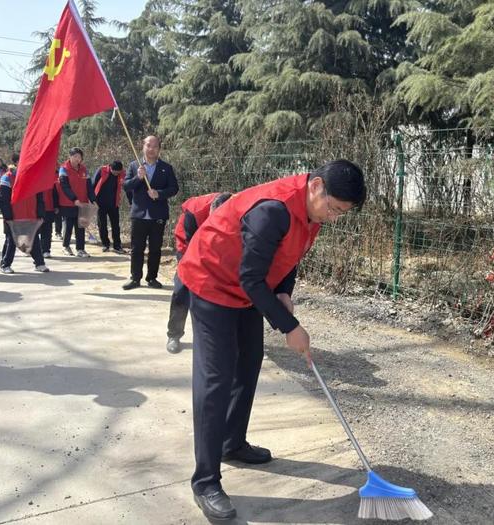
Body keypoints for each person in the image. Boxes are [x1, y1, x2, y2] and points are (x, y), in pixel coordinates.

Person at [177, 160, 366, 521]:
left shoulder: (312, 213)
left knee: (248, 362)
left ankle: (232, 443)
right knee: (216, 378)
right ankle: (205, 481)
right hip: (212, 279)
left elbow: (288, 255)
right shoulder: (273, 210)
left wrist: (284, 291)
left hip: (244, 287)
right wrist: (289, 325)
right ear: (317, 187)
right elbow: (250, 278)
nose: (335, 217)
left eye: (343, 213)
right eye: (335, 208)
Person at [166, 191, 232, 354]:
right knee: (182, 288)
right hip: (189, 245)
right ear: (211, 210)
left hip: (219, 247)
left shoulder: (239, 208)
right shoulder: (194, 212)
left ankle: (219, 335)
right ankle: (174, 334)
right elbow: (193, 247)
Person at [122, 136, 178, 290]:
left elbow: (174, 188)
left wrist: (159, 193)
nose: (151, 149)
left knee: (155, 248)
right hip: (139, 214)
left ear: (159, 149)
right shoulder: (135, 166)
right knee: (137, 248)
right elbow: (126, 186)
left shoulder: (166, 168)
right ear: (143, 146)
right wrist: (138, 178)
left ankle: (152, 278)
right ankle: (135, 278)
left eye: (154, 146)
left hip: (157, 215)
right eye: (148, 145)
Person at [0, 153, 49, 274]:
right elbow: (3, 200)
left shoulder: (34, 177)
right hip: (14, 217)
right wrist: (8, 216)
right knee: (11, 241)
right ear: (16, 162)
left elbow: (40, 199)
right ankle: (5, 264)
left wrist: (40, 214)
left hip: (31, 216)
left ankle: (39, 263)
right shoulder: (7, 178)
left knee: (34, 240)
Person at [58, 147, 95, 257]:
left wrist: (93, 199)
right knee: (68, 226)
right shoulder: (63, 169)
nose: (77, 159)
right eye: (75, 156)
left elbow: (89, 186)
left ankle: (80, 249)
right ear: (70, 156)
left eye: (79, 157)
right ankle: (66, 246)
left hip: (82, 203)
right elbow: (65, 186)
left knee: (81, 226)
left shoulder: (84, 169)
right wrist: (74, 199)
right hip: (68, 203)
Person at [93, 160, 126, 254]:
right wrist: (92, 199)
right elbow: (93, 183)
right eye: (114, 172)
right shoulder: (102, 170)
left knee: (116, 225)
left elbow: (126, 187)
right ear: (110, 168)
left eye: (118, 172)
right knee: (102, 224)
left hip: (114, 203)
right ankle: (105, 244)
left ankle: (117, 245)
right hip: (100, 203)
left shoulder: (122, 173)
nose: (116, 174)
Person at [39, 168, 59, 259]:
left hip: (49, 208)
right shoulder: (33, 179)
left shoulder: (51, 180)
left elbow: (55, 194)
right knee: (35, 231)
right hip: (35, 209)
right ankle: (33, 249)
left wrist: (56, 206)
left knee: (47, 231)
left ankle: (46, 250)